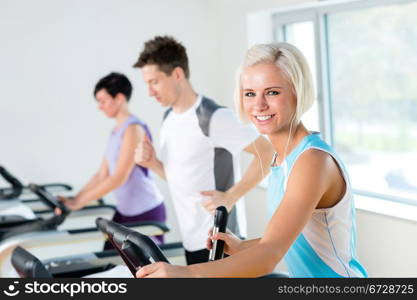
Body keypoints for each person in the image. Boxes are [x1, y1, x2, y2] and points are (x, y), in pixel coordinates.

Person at [135, 42, 368, 277]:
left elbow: (269, 255)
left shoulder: (313, 161)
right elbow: (291, 236)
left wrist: (183, 274)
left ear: (298, 93)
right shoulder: (282, 158)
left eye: (272, 92)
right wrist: (242, 246)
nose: (258, 105)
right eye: (250, 94)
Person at [133, 36, 274, 265]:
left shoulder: (214, 117)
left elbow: (267, 153)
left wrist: (231, 196)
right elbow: (183, 177)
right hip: (191, 241)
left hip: (221, 241)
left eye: (154, 82)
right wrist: (153, 164)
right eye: (147, 83)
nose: (150, 91)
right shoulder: (169, 118)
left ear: (177, 74)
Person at [60, 72, 166, 244]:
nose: (99, 107)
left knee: (140, 268)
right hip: (125, 211)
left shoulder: (134, 129)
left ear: (119, 98)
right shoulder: (116, 131)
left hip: (145, 210)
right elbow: (101, 175)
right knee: (109, 260)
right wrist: (75, 199)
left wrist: (79, 203)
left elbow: (118, 177)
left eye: (103, 101)